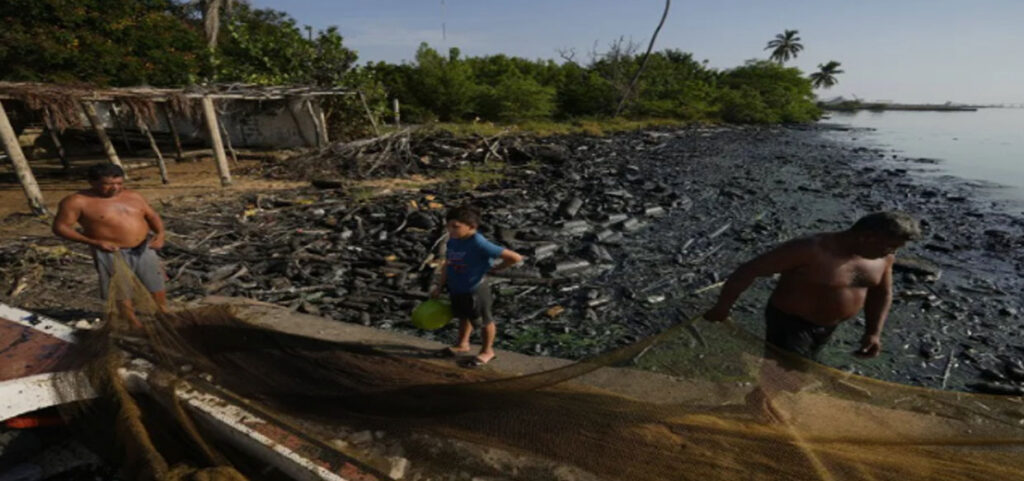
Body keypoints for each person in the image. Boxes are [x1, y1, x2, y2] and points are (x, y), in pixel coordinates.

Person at [703, 211, 921, 420]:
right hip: (790, 320)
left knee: (794, 371)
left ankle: (761, 398)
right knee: (789, 374)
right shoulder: (810, 249)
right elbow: (749, 270)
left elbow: (881, 292)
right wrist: (723, 307)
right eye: (890, 245)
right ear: (867, 236)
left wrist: (873, 331)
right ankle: (759, 404)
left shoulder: (885, 258)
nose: (891, 252)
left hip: (828, 326)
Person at [52, 164, 168, 327]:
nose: (115, 188)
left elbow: (152, 215)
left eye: (119, 183)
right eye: (108, 184)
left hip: (144, 247)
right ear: (92, 182)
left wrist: (160, 234)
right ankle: (132, 322)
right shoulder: (77, 201)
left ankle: (163, 313)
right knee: (120, 289)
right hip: (110, 252)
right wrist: (94, 242)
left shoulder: (133, 196)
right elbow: (60, 227)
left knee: (156, 282)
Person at [432, 204, 523, 367]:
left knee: (484, 321)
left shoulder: (478, 242)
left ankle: (487, 351)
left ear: (471, 227)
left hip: (475, 289)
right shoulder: (454, 240)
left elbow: (515, 257)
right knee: (463, 316)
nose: (450, 230)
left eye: (456, 227)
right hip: (457, 287)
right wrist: (439, 285)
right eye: (448, 226)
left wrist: (498, 268)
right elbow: (448, 263)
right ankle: (462, 344)